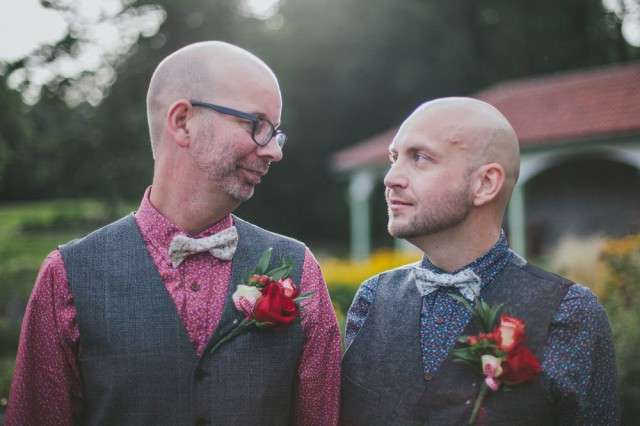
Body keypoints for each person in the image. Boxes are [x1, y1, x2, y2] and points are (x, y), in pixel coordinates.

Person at [6, 41, 341, 426]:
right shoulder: (66, 275)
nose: (274, 152)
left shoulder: (298, 268)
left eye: (275, 133)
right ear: (183, 122)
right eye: (256, 125)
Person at [341, 97, 618, 425]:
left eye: (420, 157)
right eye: (394, 158)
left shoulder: (569, 314)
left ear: (485, 184)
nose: (390, 178)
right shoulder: (372, 297)